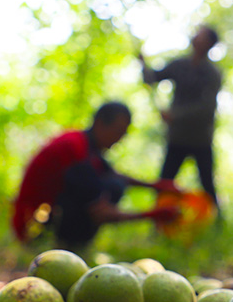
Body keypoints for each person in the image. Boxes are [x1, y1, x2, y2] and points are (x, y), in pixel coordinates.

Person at [11, 102, 179, 250]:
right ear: (100, 123)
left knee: (114, 184)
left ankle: (70, 245)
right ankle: (67, 245)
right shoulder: (75, 150)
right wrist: (153, 215)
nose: (120, 139)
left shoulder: (86, 146)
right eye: (118, 131)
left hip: (47, 216)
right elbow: (101, 213)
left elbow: (116, 175)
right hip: (32, 228)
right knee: (112, 188)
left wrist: (158, 186)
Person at [139, 25, 223, 214]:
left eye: (201, 35)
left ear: (209, 43)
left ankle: (216, 221)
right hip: (177, 138)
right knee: (165, 181)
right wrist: (143, 65)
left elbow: (207, 109)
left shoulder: (212, 74)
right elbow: (152, 78)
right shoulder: (180, 65)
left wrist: (175, 115)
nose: (195, 36)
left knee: (207, 182)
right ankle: (158, 219)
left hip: (200, 139)